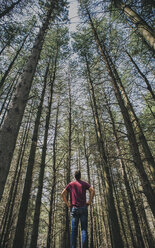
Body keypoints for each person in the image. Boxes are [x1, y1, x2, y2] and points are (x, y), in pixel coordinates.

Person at [61, 170, 95, 248]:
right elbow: (92, 190)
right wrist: (89, 201)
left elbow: (62, 193)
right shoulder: (84, 183)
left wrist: (67, 204)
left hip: (74, 209)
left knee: (74, 231)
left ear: (74, 176)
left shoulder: (71, 184)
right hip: (83, 208)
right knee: (84, 230)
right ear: (80, 176)